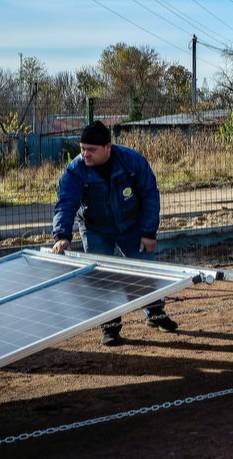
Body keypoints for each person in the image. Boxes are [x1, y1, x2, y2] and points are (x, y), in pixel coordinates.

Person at [51, 121, 177, 346]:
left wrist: (148, 232)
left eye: (91, 149)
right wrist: (62, 235)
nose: (85, 154)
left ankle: (155, 314)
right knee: (101, 277)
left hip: (132, 225)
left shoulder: (132, 161)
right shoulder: (75, 170)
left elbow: (150, 195)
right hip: (95, 228)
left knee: (145, 270)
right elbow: (66, 203)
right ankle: (110, 327)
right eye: (82, 149)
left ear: (107, 147)